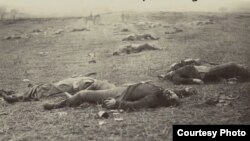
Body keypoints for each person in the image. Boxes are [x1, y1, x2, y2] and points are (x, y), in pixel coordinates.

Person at [43, 81, 197, 111]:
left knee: (84, 94)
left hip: (120, 94)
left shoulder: (154, 99)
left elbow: (136, 106)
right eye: (173, 93)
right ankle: (74, 97)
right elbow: (174, 93)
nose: (170, 93)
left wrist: (117, 104)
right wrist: (185, 91)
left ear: (166, 102)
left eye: (170, 97)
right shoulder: (163, 92)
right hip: (124, 87)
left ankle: (57, 106)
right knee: (98, 83)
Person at [0, 76, 115, 103]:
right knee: (47, 89)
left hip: (74, 84)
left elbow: (91, 87)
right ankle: (14, 96)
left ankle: (14, 96)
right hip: (75, 84)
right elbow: (92, 85)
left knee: (47, 89)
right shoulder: (111, 89)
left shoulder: (110, 88)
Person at [158, 58, 250, 84]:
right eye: (165, 76)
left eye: (165, 73)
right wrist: (194, 80)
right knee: (231, 65)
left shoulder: (175, 69)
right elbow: (180, 81)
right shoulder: (175, 76)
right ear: (167, 78)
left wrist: (191, 60)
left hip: (204, 68)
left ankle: (245, 74)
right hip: (204, 73)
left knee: (229, 70)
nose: (167, 73)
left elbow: (180, 62)